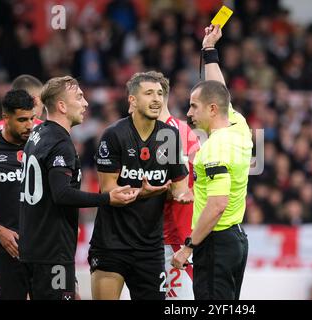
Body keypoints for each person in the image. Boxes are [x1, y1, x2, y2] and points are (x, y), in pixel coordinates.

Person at [19, 76, 139, 300]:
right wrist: (107, 199)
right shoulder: (60, 143)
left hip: (33, 246)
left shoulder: (37, 134)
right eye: (79, 97)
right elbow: (61, 193)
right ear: (62, 106)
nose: (85, 103)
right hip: (52, 250)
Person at [89, 72, 193, 300]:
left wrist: (186, 193)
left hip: (150, 248)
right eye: (148, 93)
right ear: (132, 100)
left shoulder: (170, 136)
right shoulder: (114, 135)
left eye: (159, 94)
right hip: (112, 243)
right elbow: (108, 190)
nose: (156, 99)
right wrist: (143, 194)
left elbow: (178, 189)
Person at [172, 24, 253, 300]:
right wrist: (209, 50)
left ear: (212, 109)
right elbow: (219, 89)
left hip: (216, 243)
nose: (189, 112)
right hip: (236, 239)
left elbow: (218, 204)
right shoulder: (238, 125)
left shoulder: (214, 148)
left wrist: (188, 247)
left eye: (194, 106)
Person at [142, 71, 200, 300]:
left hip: (172, 238)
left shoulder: (169, 134)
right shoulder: (185, 131)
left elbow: (186, 188)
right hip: (162, 237)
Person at [0, 75, 44, 296]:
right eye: (22, 120)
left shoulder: (44, 144)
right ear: (5, 118)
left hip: (45, 247)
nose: (30, 126)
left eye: (32, 119)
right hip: (6, 249)